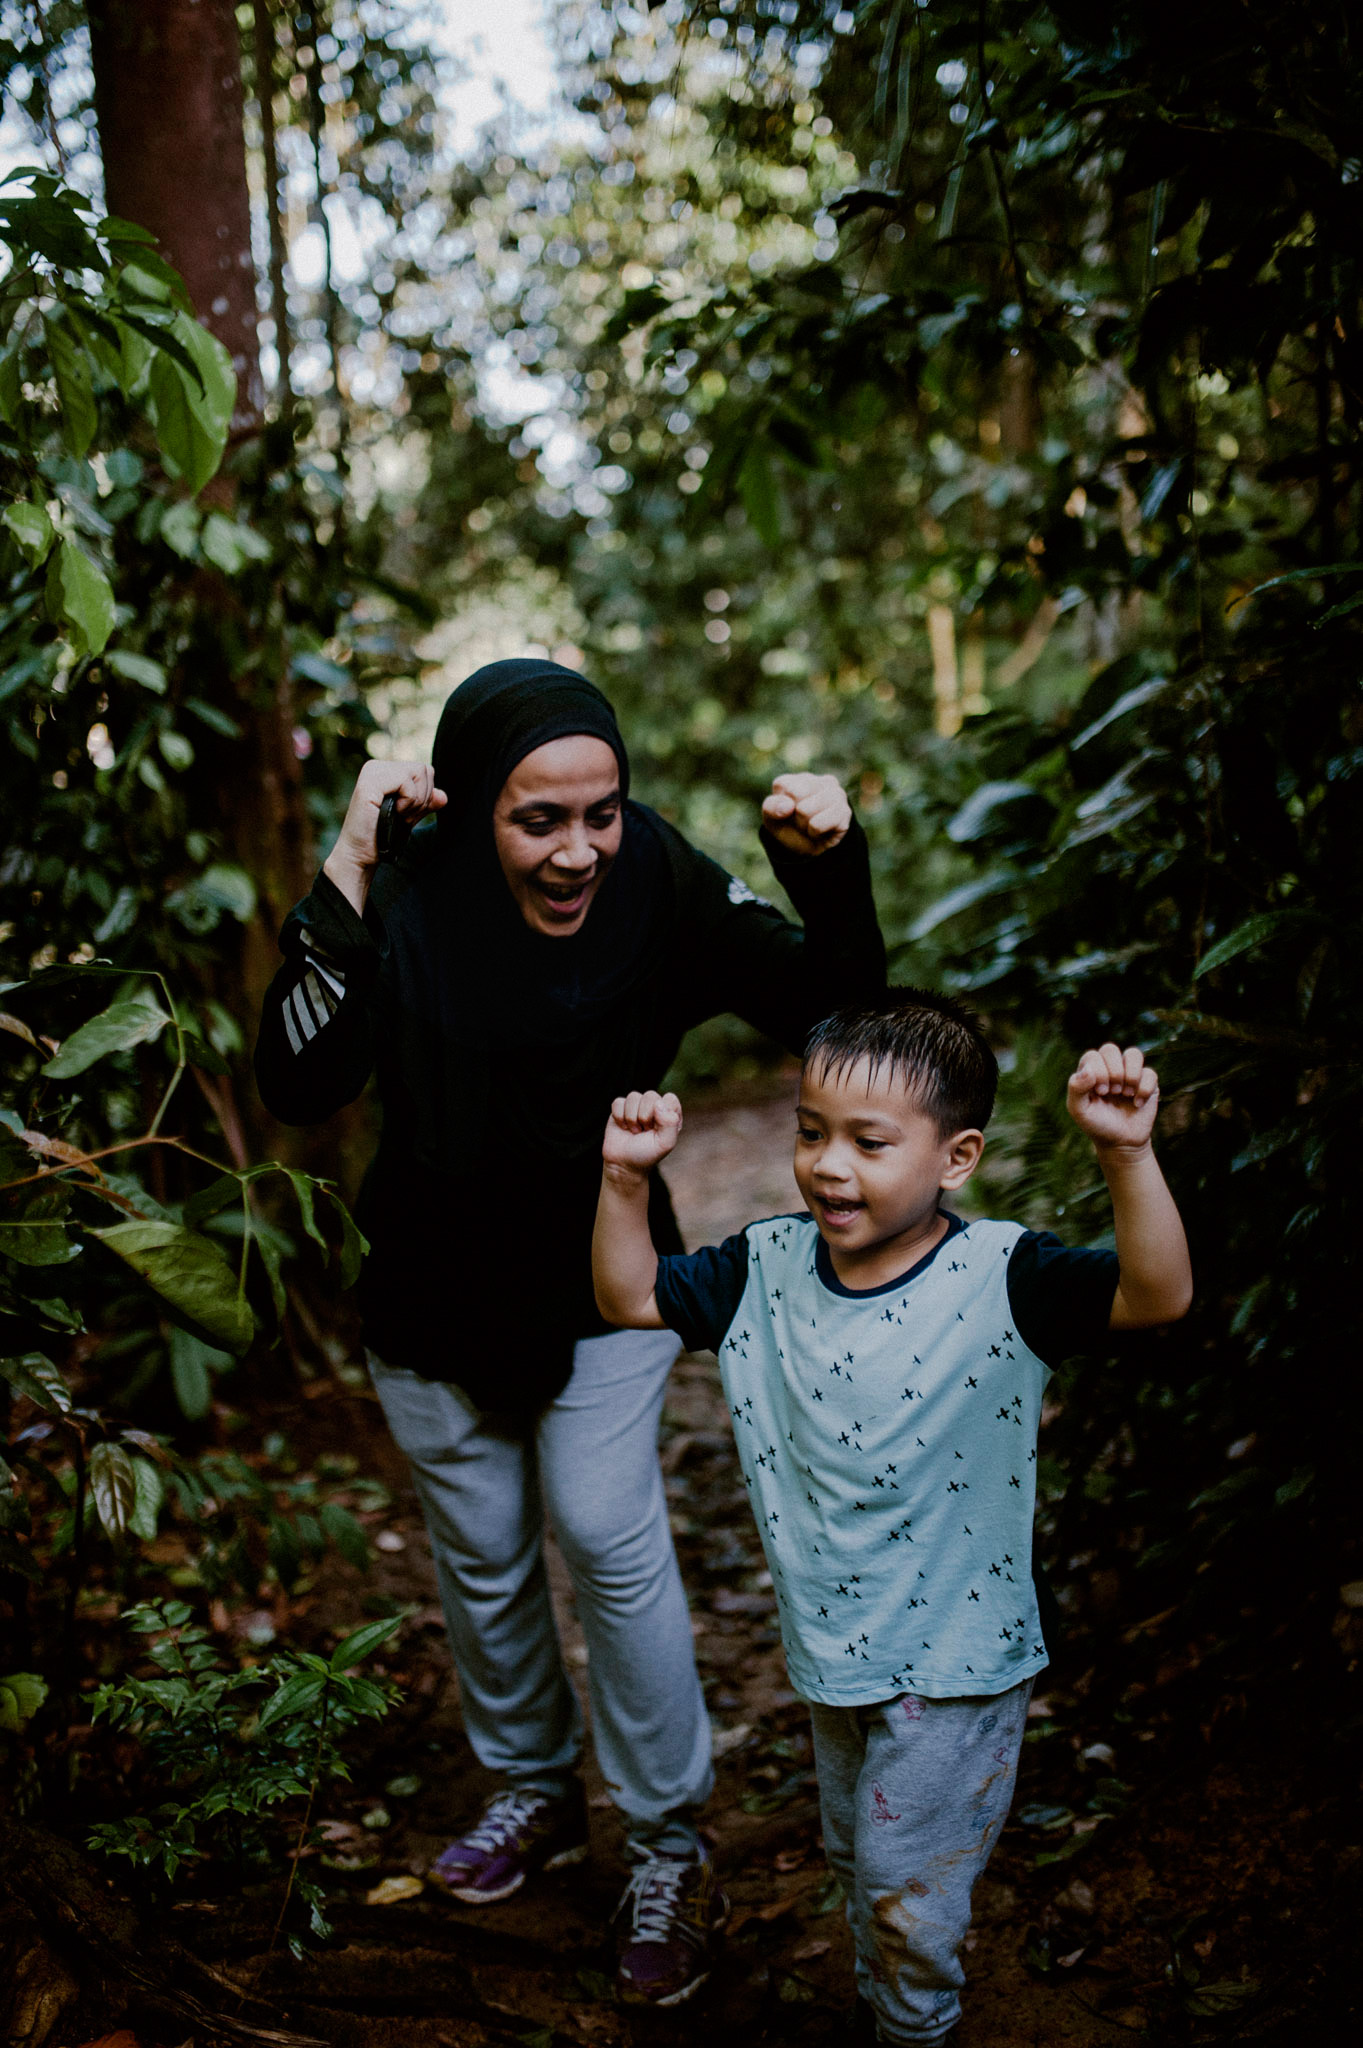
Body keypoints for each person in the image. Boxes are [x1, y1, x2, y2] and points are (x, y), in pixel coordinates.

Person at [253, 656, 885, 2006]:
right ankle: (532, 1786)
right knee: (484, 1554)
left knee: (602, 1527)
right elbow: (301, 1078)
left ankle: (667, 1839)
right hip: (429, 1293)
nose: (578, 849)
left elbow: (831, 1013)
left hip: (609, 1277)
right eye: (538, 819)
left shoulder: (654, 873)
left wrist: (826, 869)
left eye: (599, 812)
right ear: (473, 802)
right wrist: (348, 862)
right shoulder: (407, 888)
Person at [592, 992, 1192, 2043]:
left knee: (902, 1887)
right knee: (858, 1862)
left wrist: (1126, 1155)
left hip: (956, 1661)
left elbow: (1156, 1294)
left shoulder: (1004, 1275)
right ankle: (889, 2006)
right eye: (810, 1131)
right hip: (832, 1649)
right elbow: (628, 1296)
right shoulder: (762, 1267)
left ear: (956, 1157)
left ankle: (915, 2027)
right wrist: (624, 1178)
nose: (828, 1164)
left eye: (868, 1142)